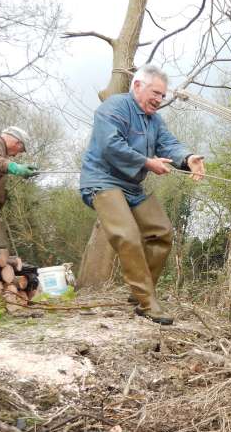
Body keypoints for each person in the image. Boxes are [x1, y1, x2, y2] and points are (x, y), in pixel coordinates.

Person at [80, 63, 205, 325]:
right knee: (127, 235)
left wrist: (189, 158)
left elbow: (169, 144)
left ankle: (138, 295)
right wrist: (148, 163)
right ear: (137, 86)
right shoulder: (113, 107)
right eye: (156, 93)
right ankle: (148, 303)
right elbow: (110, 145)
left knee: (161, 232)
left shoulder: (154, 120)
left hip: (132, 187)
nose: (159, 100)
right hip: (102, 181)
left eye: (162, 95)